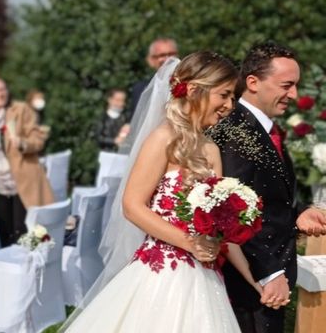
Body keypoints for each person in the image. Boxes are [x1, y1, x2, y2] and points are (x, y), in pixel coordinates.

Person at [64, 51, 256, 332]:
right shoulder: (162, 139)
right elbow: (132, 205)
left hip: (205, 279)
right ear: (193, 90)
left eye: (233, 98)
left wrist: (255, 279)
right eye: (224, 95)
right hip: (162, 271)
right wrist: (190, 242)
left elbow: (221, 227)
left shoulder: (211, 150)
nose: (229, 105)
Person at [209, 42, 326, 333]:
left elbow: (262, 198)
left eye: (296, 85)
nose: (294, 95)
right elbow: (232, 212)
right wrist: (269, 272)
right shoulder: (235, 131)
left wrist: (297, 215)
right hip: (252, 285)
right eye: (287, 85)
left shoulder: (262, 127)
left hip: (267, 278)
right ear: (252, 82)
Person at [0, 77, 55, 247]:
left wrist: (23, 143)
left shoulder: (21, 109)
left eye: (2, 89)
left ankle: (27, 270)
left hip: (24, 180)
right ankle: (9, 272)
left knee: (24, 233)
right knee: (5, 234)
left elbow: (38, 139)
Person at [129, 37, 178, 119]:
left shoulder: (189, 85)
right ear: (150, 60)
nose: (168, 59)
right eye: (161, 55)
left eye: (171, 54)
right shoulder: (139, 89)